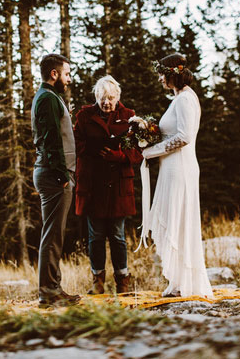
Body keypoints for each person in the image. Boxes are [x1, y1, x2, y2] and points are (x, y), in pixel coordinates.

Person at [140, 53, 213, 298]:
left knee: (179, 221)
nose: (159, 78)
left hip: (180, 168)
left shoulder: (185, 100)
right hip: (171, 167)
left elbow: (183, 137)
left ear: (173, 73)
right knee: (175, 221)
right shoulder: (178, 99)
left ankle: (186, 283)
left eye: (162, 73)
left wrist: (151, 151)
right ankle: (178, 281)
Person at [74, 76, 143, 294]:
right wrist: (95, 151)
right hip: (93, 183)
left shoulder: (129, 116)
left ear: (118, 97)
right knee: (95, 236)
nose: (107, 103)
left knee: (117, 235)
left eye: (111, 98)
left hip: (118, 184)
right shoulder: (84, 116)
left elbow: (139, 150)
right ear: (96, 97)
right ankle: (98, 281)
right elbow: (75, 144)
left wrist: (119, 155)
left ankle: (123, 280)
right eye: (103, 98)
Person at [31, 53, 81, 308]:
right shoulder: (48, 99)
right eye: (67, 74)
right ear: (54, 74)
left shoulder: (50, 99)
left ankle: (52, 289)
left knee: (54, 234)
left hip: (53, 174)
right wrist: (63, 175)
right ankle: (49, 292)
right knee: (52, 235)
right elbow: (51, 142)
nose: (68, 79)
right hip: (54, 176)